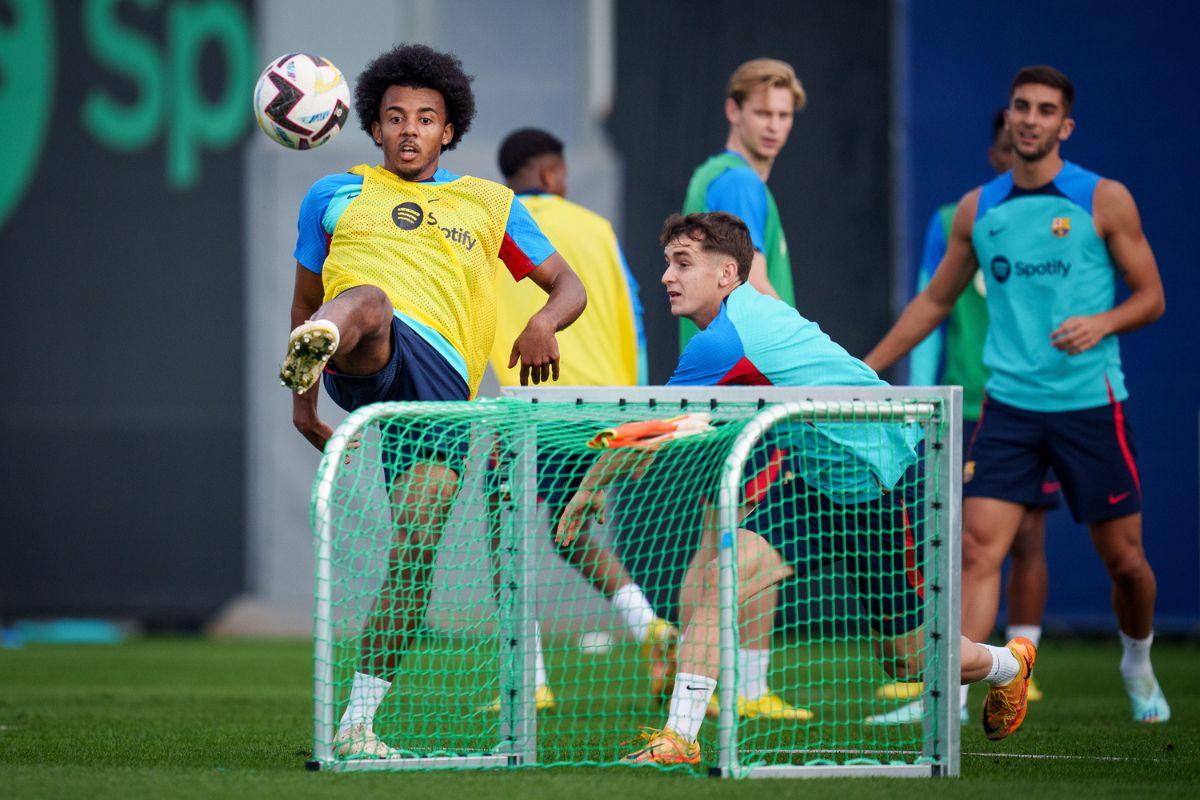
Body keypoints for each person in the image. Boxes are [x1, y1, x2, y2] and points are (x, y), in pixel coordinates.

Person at [557, 213, 1037, 765]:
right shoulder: (727, 328)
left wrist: (590, 489)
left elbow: (652, 432)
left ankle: (1009, 664)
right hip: (808, 488)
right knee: (723, 576)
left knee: (908, 659)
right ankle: (679, 739)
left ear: (727, 274)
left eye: (682, 263)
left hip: (876, 491)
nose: (667, 275)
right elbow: (664, 430)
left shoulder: (726, 338)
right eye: (668, 262)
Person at [279, 44, 586, 759]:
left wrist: (543, 321)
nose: (409, 130)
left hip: (443, 396)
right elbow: (302, 303)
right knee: (368, 302)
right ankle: (342, 331)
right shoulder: (334, 194)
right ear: (374, 129)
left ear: (450, 131)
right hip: (367, 352)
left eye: (425, 118)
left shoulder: (488, 202)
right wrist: (303, 406)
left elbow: (567, 286)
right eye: (394, 118)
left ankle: (357, 725)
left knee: (415, 549)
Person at [864, 66, 1169, 725]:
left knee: (1126, 563)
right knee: (976, 549)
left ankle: (1137, 662)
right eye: (1020, 107)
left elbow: (1152, 297)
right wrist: (868, 368)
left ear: (1065, 125)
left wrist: (1103, 322)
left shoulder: (1102, 200)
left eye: (1044, 110)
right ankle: (954, 697)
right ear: (1007, 118)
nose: (1029, 118)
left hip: (1092, 405)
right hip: (1009, 408)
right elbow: (936, 300)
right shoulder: (979, 210)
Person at [477, 128, 672, 713]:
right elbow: (630, 314)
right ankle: (648, 626)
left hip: (528, 402)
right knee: (572, 532)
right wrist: (637, 415)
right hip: (598, 406)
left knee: (502, 532)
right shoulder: (597, 229)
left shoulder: (493, 226)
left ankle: (528, 676)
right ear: (554, 173)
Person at [871, 109, 1052, 722]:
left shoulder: (1069, 221)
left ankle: (1030, 660)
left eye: (1027, 137)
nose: (1016, 149)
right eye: (1006, 140)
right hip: (970, 406)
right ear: (996, 149)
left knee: (1031, 536)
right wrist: (918, 399)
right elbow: (932, 307)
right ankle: (962, 685)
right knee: (967, 542)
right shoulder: (959, 219)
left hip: (1041, 402)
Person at [677, 58, 808, 719]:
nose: (775, 127)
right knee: (746, 538)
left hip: (724, 381)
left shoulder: (716, 177)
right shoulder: (738, 183)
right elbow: (751, 290)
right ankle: (739, 688)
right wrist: (804, 362)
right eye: (763, 112)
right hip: (747, 385)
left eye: (785, 116)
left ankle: (709, 677)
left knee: (717, 536)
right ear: (734, 110)